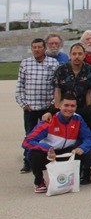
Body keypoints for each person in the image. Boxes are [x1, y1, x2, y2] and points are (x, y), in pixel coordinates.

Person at [22, 93, 91, 193]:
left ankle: (78, 175)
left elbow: (89, 138)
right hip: (49, 154)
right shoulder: (49, 120)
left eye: (72, 106)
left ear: (76, 107)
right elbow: (27, 141)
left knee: (89, 149)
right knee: (34, 154)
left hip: (67, 152)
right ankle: (39, 181)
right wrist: (47, 148)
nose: (69, 109)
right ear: (60, 106)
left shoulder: (78, 119)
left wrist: (82, 148)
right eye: (66, 105)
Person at [16, 38, 61, 173]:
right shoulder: (25, 63)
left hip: (47, 108)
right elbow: (20, 85)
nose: (36, 50)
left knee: (47, 135)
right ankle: (28, 161)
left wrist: (53, 104)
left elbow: (57, 85)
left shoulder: (53, 63)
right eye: (34, 47)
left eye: (39, 47)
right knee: (30, 135)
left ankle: (46, 159)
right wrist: (23, 103)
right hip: (30, 108)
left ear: (44, 48)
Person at [51, 42, 91, 112]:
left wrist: (88, 108)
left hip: (82, 108)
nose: (77, 56)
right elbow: (57, 90)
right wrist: (57, 108)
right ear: (70, 55)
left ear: (84, 55)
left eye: (80, 54)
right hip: (64, 108)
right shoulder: (61, 70)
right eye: (74, 54)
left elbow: (89, 91)